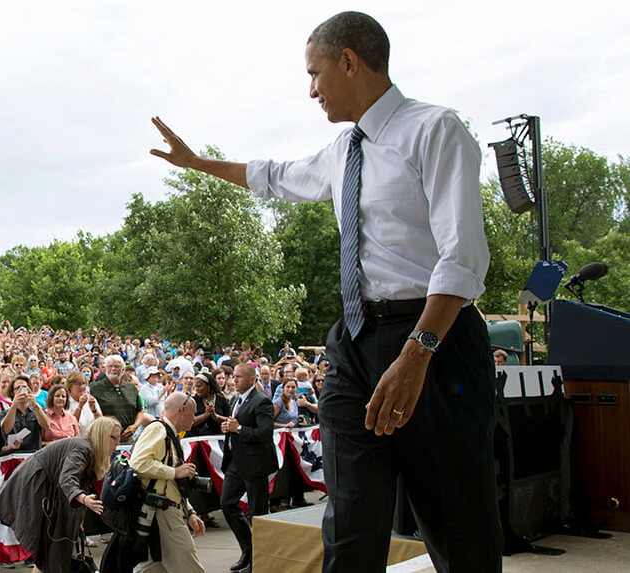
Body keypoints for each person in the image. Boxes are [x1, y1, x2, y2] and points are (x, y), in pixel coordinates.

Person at [149, 11, 501, 571]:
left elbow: (462, 258)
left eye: (313, 73)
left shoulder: (436, 130)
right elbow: (273, 175)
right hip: (355, 343)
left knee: (458, 525)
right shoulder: (343, 151)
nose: (310, 89)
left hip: (436, 344)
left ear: (349, 61)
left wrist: (417, 354)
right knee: (351, 525)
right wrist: (195, 163)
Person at [0, 417, 121, 573]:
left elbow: (74, 482)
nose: (118, 443)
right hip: (38, 487)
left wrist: (78, 515)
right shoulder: (83, 448)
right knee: (49, 549)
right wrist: (83, 499)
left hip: (47, 487)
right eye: (115, 438)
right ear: (103, 435)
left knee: (51, 551)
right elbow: (67, 478)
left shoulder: (88, 448)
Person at [128, 392, 206, 572]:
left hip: (166, 510)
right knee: (188, 565)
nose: (194, 419)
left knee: (158, 566)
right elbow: (138, 463)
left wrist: (190, 511)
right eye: (193, 413)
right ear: (182, 410)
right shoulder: (159, 429)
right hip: (163, 511)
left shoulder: (169, 434)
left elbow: (172, 485)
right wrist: (174, 472)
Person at [218, 363, 277, 571]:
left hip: (255, 464)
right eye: (233, 376)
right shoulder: (235, 399)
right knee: (227, 504)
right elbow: (235, 426)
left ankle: (260, 560)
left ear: (252, 380)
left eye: (239, 377)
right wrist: (228, 428)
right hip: (236, 462)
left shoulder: (262, 401)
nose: (234, 380)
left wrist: (239, 428)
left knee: (258, 514)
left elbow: (265, 433)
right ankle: (248, 550)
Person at [89, 354, 145, 440]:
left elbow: (140, 410)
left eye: (116, 366)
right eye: (110, 366)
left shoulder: (131, 387)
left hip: (127, 437)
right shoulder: (95, 388)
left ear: (123, 369)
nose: (113, 369)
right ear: (105, 368)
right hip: (105, 438)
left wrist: (135, 426)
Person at [0, 374, 50, 453]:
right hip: (14, 456)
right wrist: (14, 405)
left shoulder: (38, 409)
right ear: (12, 392)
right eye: (17, 388)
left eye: (24, 388)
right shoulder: (6, 412)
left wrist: (34, 404)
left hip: (34, 455)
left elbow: (47, 425)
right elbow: (5, 430)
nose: (21, 391)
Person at [187, 372, 230, 437]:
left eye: (199, 386)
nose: (196, 389)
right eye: (195, 387)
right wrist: (205, 416)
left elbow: (229, 420)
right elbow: (188, 422)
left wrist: (215, 416)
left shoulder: (222, 400)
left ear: (208, 386)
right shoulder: (193, 401)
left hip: (217, 439)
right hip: (196, 439)